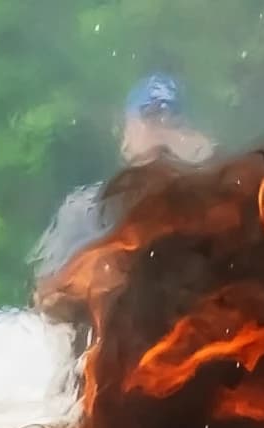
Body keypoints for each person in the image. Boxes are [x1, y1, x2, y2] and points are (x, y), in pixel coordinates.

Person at [31, 72, 217, 288]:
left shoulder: (212, 210)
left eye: (172, 122)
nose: (159, 133)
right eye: (149, 118)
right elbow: (46, 293)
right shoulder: (84, 211)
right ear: (124, 134)